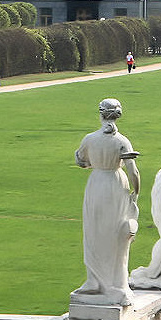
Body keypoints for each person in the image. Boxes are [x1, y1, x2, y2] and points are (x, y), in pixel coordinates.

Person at [72, 98, 140, 306]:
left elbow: (82, 162)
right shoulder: (122, 141)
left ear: (100, 114)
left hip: (97, 184)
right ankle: (115, 284)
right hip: (116, 184)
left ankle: (95, 280)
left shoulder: (89, 139)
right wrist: (136, 194)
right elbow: (133, 171)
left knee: (94, 232)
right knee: (117, 235)